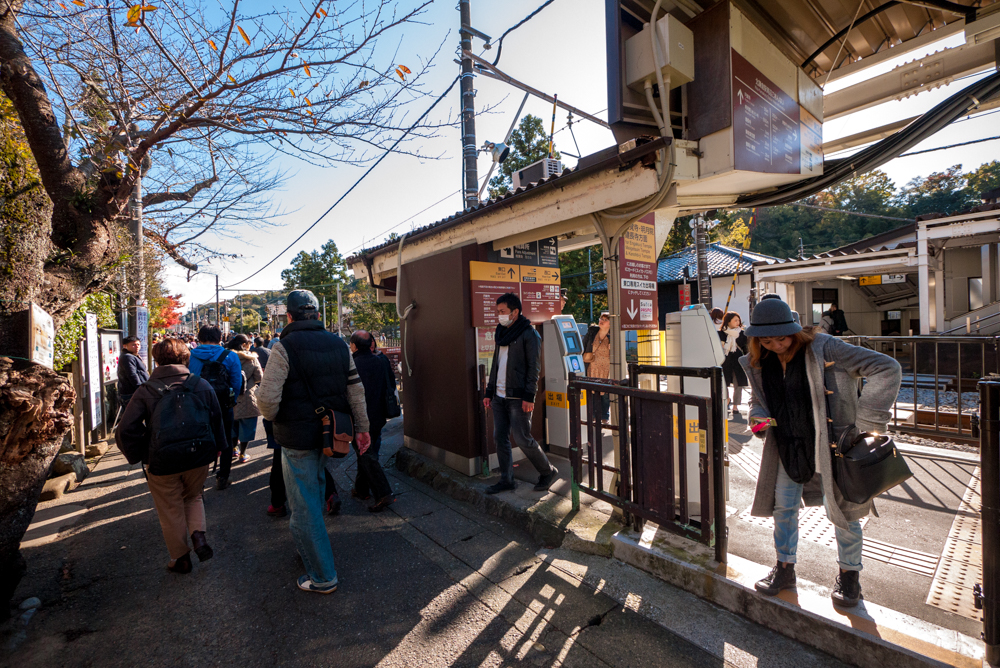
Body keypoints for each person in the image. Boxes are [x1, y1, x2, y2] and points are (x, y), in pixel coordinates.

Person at [740, 298, 901, 607]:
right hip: (787, 445)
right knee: (783, 509)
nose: (774, 345)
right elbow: (758, 400)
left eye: (781, 338)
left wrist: (868, 422)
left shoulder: (826, 347)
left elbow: (887, 367)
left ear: (794, 330)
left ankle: (850, 576)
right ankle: (784, 568)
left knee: (844, 513)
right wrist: (757, 418)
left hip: (835, 447)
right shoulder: (757, 361)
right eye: (766, 340)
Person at [258, 290, 370, 594]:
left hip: (296, 439)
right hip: (332, 433)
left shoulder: (283, 348)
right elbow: (355, 391)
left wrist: (276, 418)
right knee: (315, 493)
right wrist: (362, 428)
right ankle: (310, 549)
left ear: (289, 316)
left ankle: (323, 577)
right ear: (317, 314)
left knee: (304, 508)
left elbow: (267, 401)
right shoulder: (339, 345)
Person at [115, 338, 228, 574]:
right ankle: (199, 536)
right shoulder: (201, 384)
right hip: (198, 455)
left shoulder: (145, 390)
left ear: (156, 360)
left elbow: (126, 430)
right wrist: (218, 448)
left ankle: (181, 558)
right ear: (186, 357)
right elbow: (217, 419)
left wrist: (140, 454)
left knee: (170, 507)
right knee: (194, 496)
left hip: (161, 459)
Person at [483, 293, 558, 494]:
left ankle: (547, 471)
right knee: (500, 438)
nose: (499, 315)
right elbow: (495, 365)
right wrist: (489, 391)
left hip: (518, 398)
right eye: (497, 312)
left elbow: (534, 368)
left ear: (515, 312)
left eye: (502, 312)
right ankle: (507, 479)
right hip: (499, 396)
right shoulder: (501, 332)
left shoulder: (529, 334)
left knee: (523, 438)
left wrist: (529, 397)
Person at [187, 325, 243, 490]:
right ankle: (223, 476)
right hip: (224, 405)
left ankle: (199, 480)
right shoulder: (230, 356)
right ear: (220, 338)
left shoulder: (190, 356)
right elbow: (236, 383)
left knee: (199, 440)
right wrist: (231, 400)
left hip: (198, 405)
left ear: (200, 338)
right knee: (225, 439)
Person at [349, 330, 397, 512]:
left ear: (353, 346)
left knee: (366, 453)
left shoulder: (352, 364)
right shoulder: (381, 360)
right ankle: (361, 489)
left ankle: (384, 493)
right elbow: (391, 384)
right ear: (371, 344)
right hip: (378, 416)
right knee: (367, 451)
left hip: (359, 417)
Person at [229, 334, 263, 464]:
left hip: (231, 395)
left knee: (233, 424)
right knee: (247, 426)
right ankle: (243, 454)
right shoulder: (252, 358)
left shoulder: (228, 357)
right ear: (244, 345)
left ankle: (233, 449)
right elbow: (259, 376)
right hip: (248, 395)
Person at [581, 312, 612, 422]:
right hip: (592, 366)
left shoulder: (613, 335)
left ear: (610, 323)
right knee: (592, 391)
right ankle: (593, 414)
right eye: (601, 318)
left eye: (605, 319)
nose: (601, 321)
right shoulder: (593, 331)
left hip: (606, 368)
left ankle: (604, 415)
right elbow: (584, 345)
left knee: (605, 393)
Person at [718, 311, 748, 419]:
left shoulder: (742, 334)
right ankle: (726, 401)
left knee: (738, 384)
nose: (737, 322)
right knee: (724, 383)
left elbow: (746, 349)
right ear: (728, 321)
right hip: (725, 361)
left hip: (738, 361)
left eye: (738, 320)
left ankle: (735, 406)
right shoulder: (721, 333)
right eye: (735, 320)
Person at [117, 335, 148, 407]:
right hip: (131, 393)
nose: (137, 346)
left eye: (138, 344)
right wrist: (140, 389)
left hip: (134, 392)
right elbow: (132, 374)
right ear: (125, 346)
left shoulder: (133, 355)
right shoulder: (127, 357)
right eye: (133, 345)